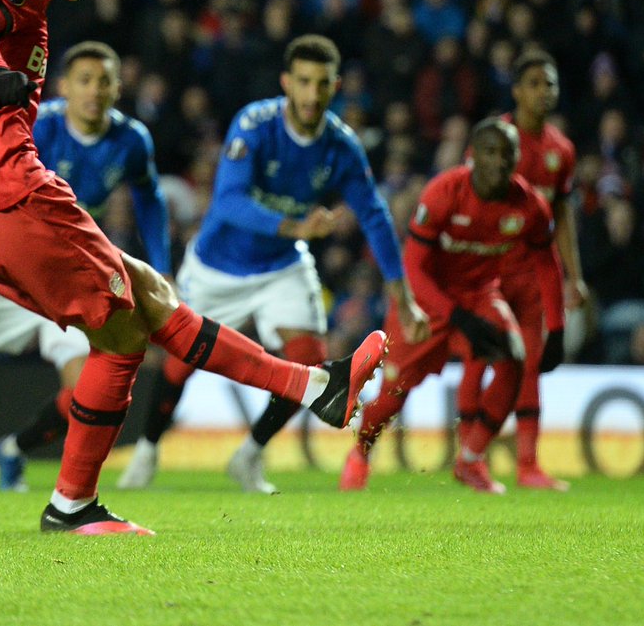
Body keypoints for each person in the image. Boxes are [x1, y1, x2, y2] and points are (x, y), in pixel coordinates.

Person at [0, 0, 387, 535]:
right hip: (9, 191)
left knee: (149, 292)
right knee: (122, 334)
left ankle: (316, 386)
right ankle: (72, 504)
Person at [118, 34, 429, 493]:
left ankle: (249, 455)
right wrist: (296, 226)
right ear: (286, 82)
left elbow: (374, 215)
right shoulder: (256, 124)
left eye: (322, 84)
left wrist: (402, 296)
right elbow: (227, 203)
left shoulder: (341, 146)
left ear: (335, 86)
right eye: (303, 82)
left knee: (311, 364)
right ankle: (146, 451)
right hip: (218, 266)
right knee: (181, 364)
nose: (312, 94)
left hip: (282, 266)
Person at [0, 40, 170, 491]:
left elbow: (149, 197)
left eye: (104, 81)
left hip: (70, 272)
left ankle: (16, 450)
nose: (94, 91)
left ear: (119, 87)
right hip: (13, 265)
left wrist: (162, 263)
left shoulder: (132, 139)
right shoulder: (37, 122)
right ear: (64, 87)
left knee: (85, 386)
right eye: (84, 80)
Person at [340, 118, 560, 494]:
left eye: (508, 154)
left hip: (480, 296)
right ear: (473, 156)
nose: (500, 162)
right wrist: (455, 315)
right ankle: (360, 453)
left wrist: (556, 326)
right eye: (491, 152)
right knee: (393, 395)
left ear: (518, 159)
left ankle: (471, 460)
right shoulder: (444, 192)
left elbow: (548, 262)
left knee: (515, 358)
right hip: (425, 301)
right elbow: (414, 267)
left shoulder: (530, 206)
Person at [456, 48, 587, 491]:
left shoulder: (561, 151)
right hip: (488, 272)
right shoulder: (495, 141)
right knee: (480, 360)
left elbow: (562, 216)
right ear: (515, 91)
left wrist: (575, 275)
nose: (543, 92)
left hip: (532, 274)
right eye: (533, 83)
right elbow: (466, 199)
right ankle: (469, 456)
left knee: (529, 367)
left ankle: (528, 465)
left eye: (549, 83)